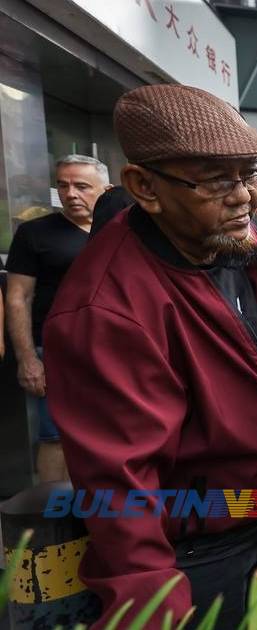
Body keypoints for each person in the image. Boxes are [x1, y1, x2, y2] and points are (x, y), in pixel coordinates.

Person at [42, 84, 257, 628]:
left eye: (251, 171)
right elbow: (120, 487)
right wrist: (151, 603)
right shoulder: (107, 308)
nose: (245, 196)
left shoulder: (229, 235)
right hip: (202, 547)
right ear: (144, 186)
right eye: (217, 179)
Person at [5, 154, 111, 483]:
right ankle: (57, 528)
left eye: (81, 186)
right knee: (55, 439)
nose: (71, 194)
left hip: (115, 352)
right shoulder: (35, 233)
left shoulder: (125, 231)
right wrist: (26, 358)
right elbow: (18, 297)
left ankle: (107, 519)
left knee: (112, 437)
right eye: (63, 186)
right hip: (54, 351)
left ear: (105, 190)